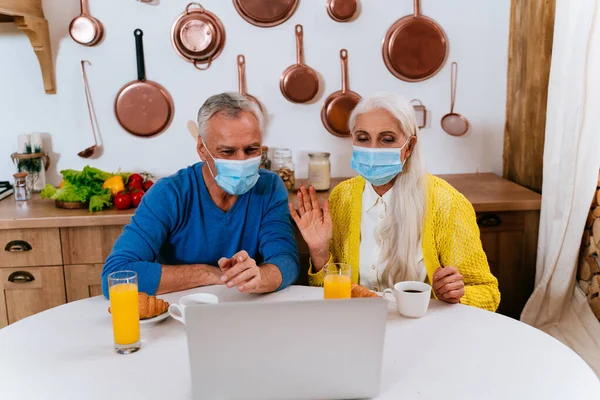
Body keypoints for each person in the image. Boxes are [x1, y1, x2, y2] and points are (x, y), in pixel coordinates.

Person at [291, 93, 500, 311]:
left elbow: (487, 293)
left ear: (408, 147)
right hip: (356, 323)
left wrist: (456, 295)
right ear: (352, 139)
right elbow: (330, 292)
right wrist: (319, 252)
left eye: (387, 139)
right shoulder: (341, 197)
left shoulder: (447, 203)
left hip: (424, 329)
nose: (372, 149)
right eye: (363, 138)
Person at [102, 92, 299, 298]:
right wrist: (210, 274)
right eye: (227, 152)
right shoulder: (168, 194)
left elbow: (286, 261)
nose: (241, 161)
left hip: (243, 309)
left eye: (251, 150)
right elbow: (115, 277)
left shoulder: (269, 187)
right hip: (178, 313)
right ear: (202, 149)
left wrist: (260, 275)